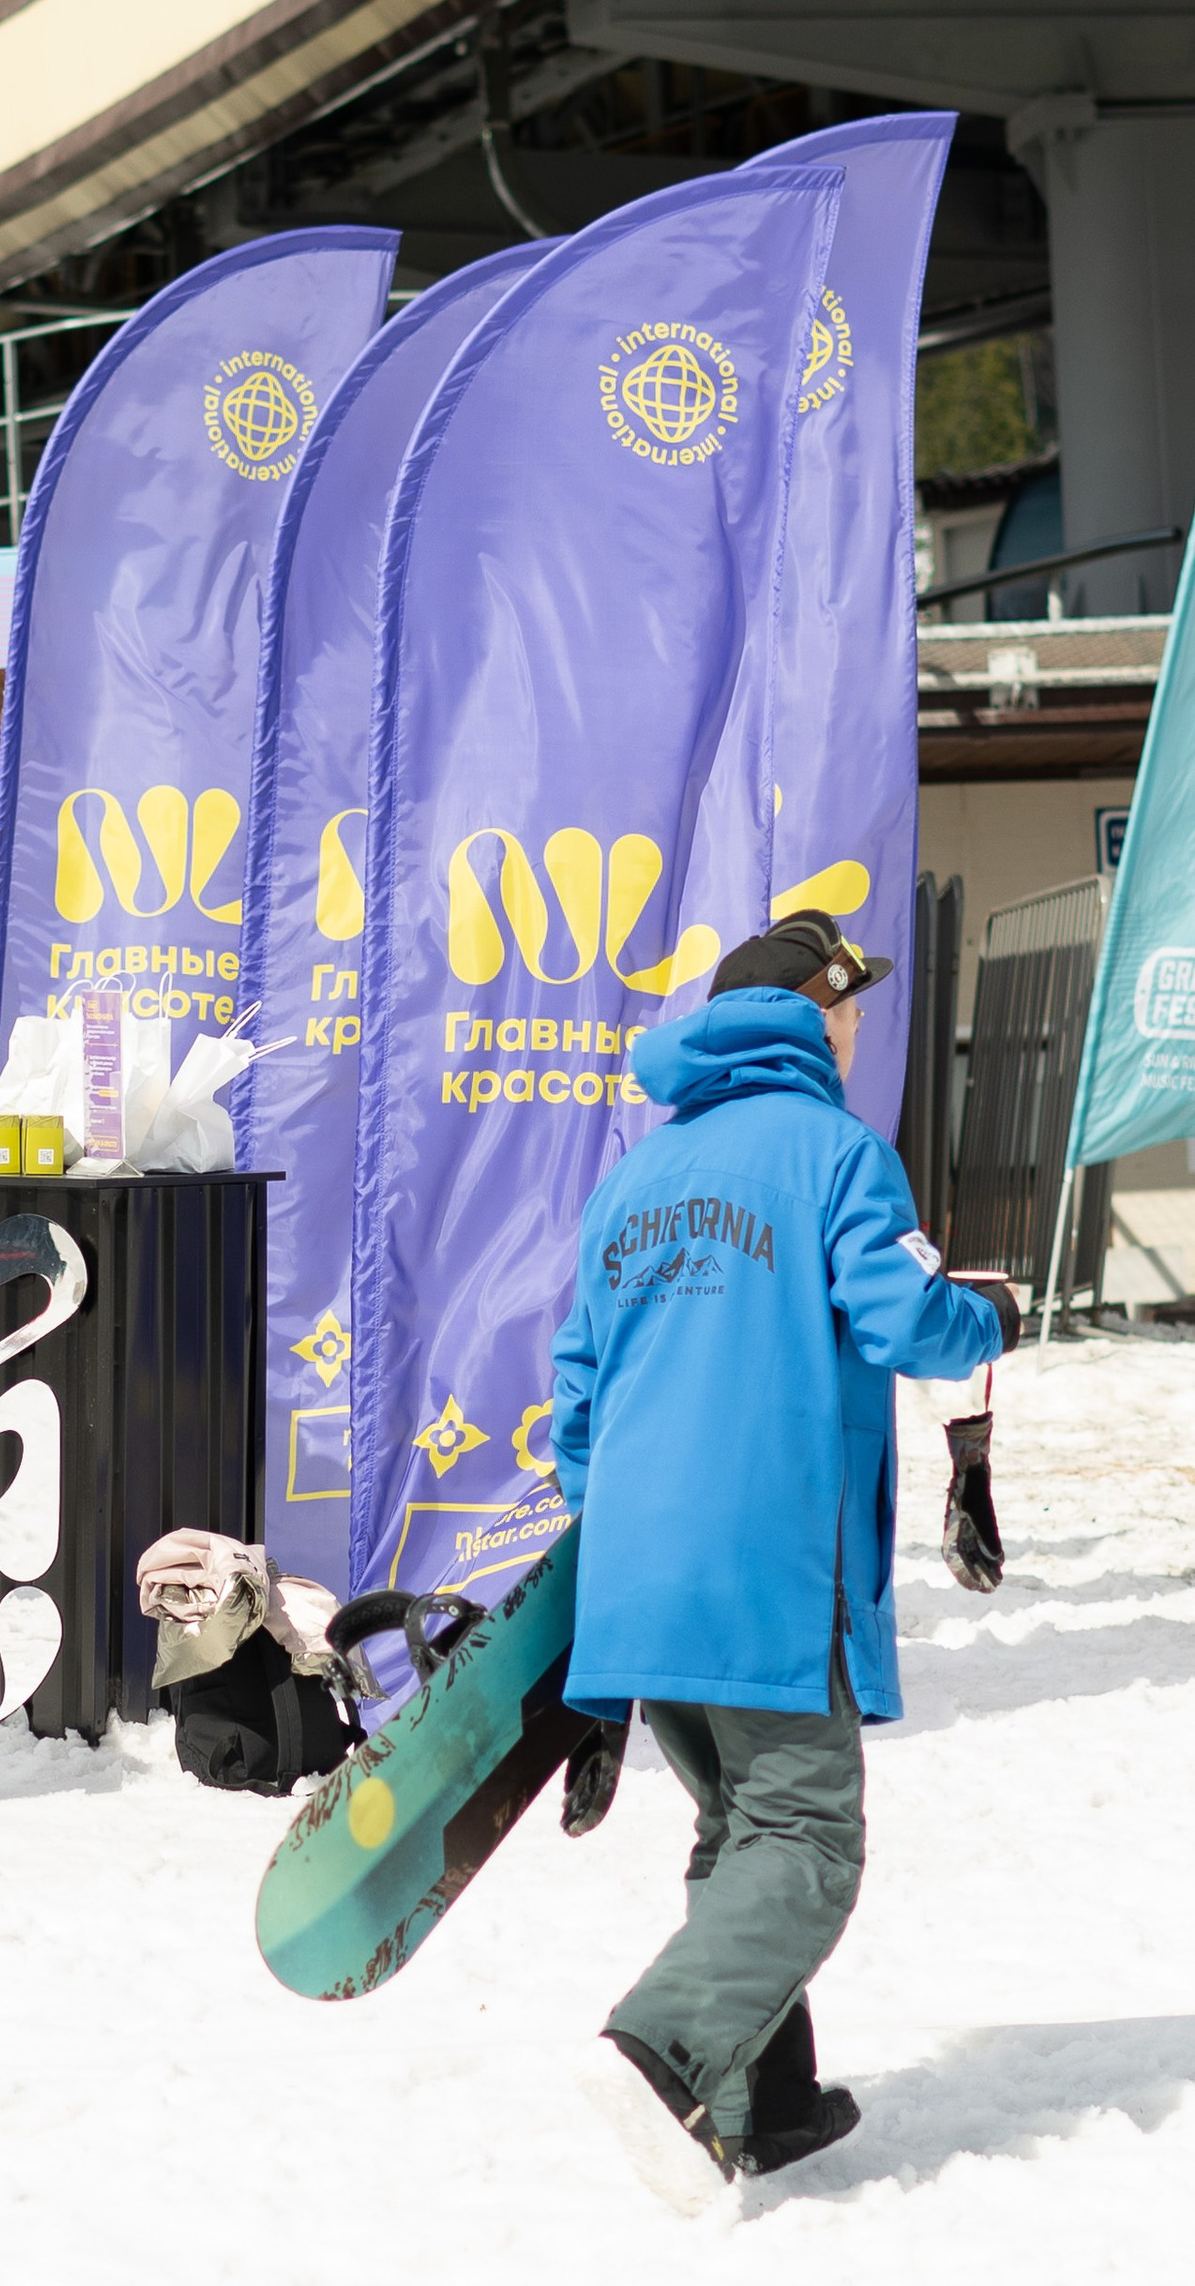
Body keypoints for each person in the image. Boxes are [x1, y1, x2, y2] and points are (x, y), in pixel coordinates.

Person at [554, 910, 1020, 2202]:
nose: (862, 1021)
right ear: (816, 1016)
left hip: (640, 1587)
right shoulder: (837, 1156)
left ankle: (765, 2099)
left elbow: (574, 1411)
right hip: (763, 1570)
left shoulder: (630, 1184)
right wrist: (990, 1313)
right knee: (808, 1843)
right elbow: (903, 1314)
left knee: (738, 1827)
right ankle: (659, 2048)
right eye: (851, 1002)